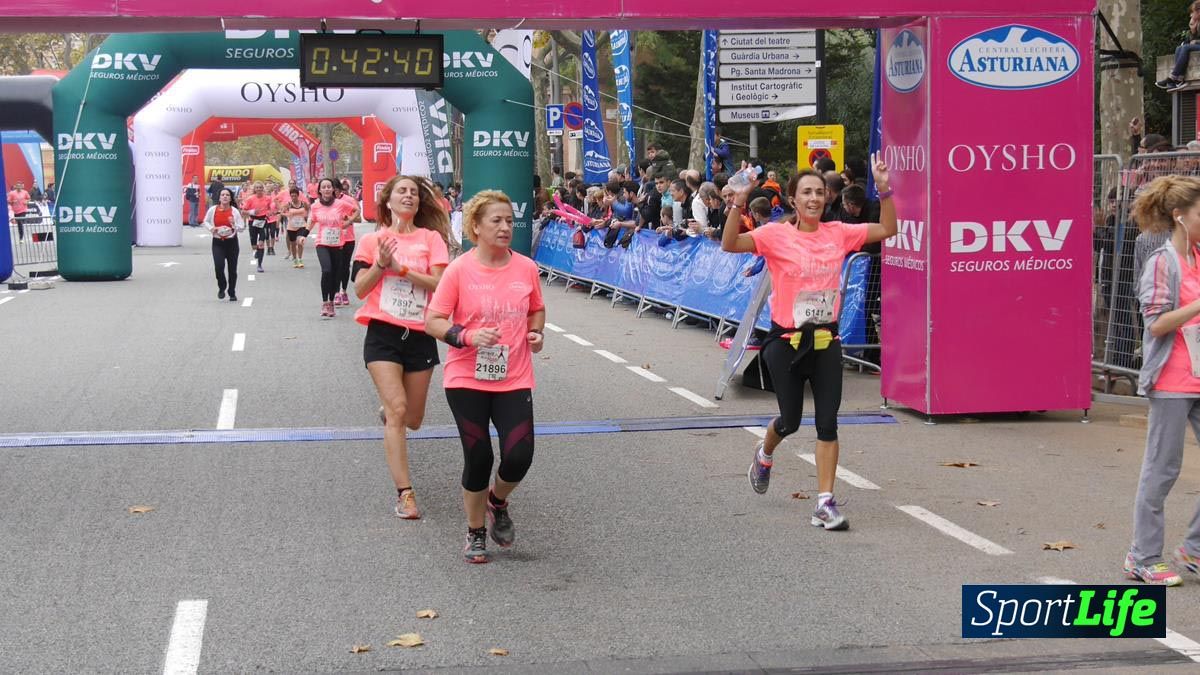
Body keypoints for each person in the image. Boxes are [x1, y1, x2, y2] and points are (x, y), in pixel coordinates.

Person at [721, 155, 894, 531]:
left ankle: (824, 503)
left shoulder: (839, 233)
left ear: (826, 197)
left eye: (819, 192)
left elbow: (887, 229)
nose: (814, 198)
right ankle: (764, 454)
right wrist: (738, 201)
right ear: (793, 200)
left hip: (826, 340)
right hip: (785, 342)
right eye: (806, 193)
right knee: (791, 420)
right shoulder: (775, 234)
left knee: (828, 423)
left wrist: (884, 189)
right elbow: (730, 243)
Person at [425, 190, 546, 564]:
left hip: (514, 376)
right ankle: (475, 530)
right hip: (466, 377)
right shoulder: (459, 270)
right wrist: (466, 336)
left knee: (520, 456)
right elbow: (433, 320)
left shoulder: (526, 268)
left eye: (509, 220)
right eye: (496, 220)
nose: (505, 227)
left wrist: (536, 333)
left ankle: (498, 500)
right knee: (478, 457)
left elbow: (537, 309)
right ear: (475, 227)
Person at [352, 175, 451, 521]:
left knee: (414, 419)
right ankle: (405, 494)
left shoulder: (431, 239)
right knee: (397, 411)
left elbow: (439, 283)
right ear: (388, 200)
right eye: (402, 191)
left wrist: (402, 269)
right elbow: (359, 290)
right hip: (383, 334)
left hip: (420, 334)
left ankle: (393, 411)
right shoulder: (372, 240)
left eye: (414, 193)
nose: (408, 196)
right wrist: (381, 265)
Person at [1125, 175, 1200, 586]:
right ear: (1180, 216)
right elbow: (1155, 325)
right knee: (1162, 470)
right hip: (1172, 381)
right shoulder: (1162, 262)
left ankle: (1194, 549)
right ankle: (1143, 557)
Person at [310, 178, 356, 317]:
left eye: (329, 187)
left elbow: (356, 211)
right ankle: (325, 302)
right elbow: (311, 221)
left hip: (337, 243)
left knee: (336, 273)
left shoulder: (341, 204)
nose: (326, 189)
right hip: (322, 243)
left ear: (333, 189)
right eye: (323, 187)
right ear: (319, 190)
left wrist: (348, 222)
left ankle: (331, 302)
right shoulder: (315, 206)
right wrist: (303, 234)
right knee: (327, 270)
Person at [202, 187, 245, 302]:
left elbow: (242, 228)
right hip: (218, 242)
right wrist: (212, 228)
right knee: (219, 266)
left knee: (232, 269)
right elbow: (205, 221)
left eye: (227, 195)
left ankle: (232, 291)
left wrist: (234, 224)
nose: (225, 197)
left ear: (230, 198)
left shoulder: (234, 211)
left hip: (232, 242)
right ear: (219, 198)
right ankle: (222, 286)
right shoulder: (213, 209)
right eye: (223, 195)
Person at [1158, 1, 1200, 90]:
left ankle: (1173, 77)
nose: (1191, 15)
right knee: (1179, 48)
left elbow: (1194, 43)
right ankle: (1179, 79)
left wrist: (1196, 42)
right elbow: (1191, 42)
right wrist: (1193, 31)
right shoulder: (1198, 23)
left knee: (1186, 47)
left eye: (1192, 12)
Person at [334, 180, 362, 308]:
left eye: (335, 189)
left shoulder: (349, 200)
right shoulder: (326, 202)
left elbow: (359, 218)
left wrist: (348, 219)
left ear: (340, 189)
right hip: (333, 239)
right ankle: (336, 293)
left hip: (348, 238)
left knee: (345, 266)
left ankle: (343, 291)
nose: (333, 192)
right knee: (336, 266)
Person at [240, 181, 272, 274]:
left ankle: (259, 265)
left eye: (260, 187)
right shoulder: (250, 199)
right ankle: (255, 250)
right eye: (257, 187)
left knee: (261, 243)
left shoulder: (268, 198)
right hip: (253, 221)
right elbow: (243, 211)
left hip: (263, 221)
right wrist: (252, 212)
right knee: (254, 244)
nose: (259, 189)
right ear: (254, 189)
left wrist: (269, 212)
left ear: (263, 189)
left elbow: (270, 208)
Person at [283, 187, 310, 268]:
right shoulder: (288, 204)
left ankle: (300, 259)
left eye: (295, 196)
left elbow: (308, 210)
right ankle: (295, 260)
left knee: (300, 242)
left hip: (301, 225)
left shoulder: (303, 203)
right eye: (292, 196)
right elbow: (282, 212)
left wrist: (305, 216)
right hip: (291, 227)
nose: (294, 197)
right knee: (293, 244)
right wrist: (288, 215)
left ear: (298, 196)